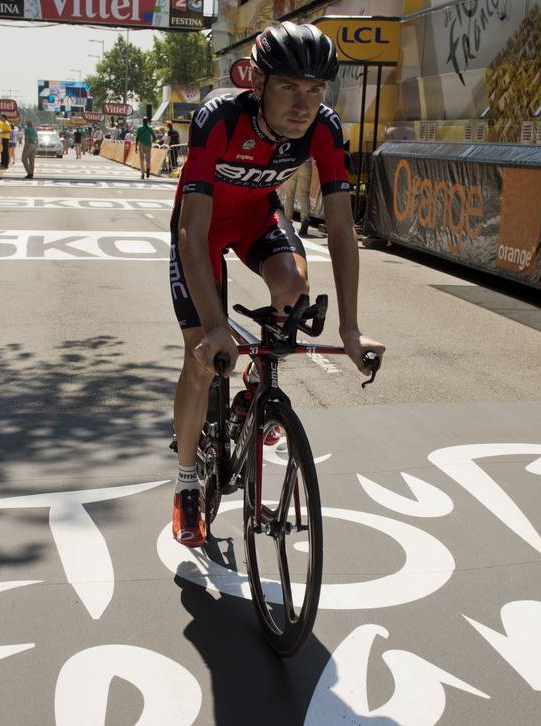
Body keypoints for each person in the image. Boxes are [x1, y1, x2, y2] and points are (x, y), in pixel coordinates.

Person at [167, 22, 384, 546]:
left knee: (291, 283)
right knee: (200, 357)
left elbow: (340, 230)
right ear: (258, 84)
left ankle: (256, 393)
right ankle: (187, 481)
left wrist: (351, 329)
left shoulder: (325, 130)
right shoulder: (219, 117)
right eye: (289, 87)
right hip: (201, 229)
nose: (302, 104)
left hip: (255, 222)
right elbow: (192, 232)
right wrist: (215, 328)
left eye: (314, 90)